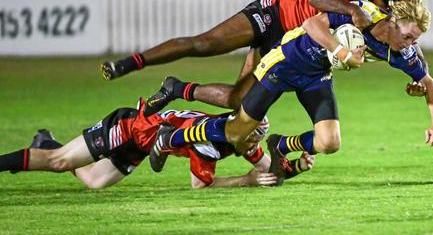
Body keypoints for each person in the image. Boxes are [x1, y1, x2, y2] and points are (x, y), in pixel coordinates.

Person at [148, 0, 433, 185]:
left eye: (415, 39)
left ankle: (281, 145)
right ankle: (172, 137)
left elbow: (429, 82)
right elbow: (312, 23)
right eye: (408, 36)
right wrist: (342, 53)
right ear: (394, 22)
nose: (410, 44)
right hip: (284, 62)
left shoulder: (401, 52)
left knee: (330, 142)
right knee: (238, 133)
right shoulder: (364, 14)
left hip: (316, 76)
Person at [101, 0, 422, 111]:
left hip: (291, 47)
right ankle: (130, 63)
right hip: (275, 16)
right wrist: (353, 9)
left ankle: (176, 89)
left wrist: (419, 79)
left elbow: (408, 45)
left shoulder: (392, 14)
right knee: (205, 44)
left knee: (236, 101)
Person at [0, 99, 314, 189]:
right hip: (130, 128)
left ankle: (46, 141)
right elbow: (200, 185)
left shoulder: (237, 134)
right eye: (253, 141)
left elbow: (267, 169)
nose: (254, 149)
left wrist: (296, 166)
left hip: (143, 145)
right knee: (59, 162)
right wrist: (246, 180)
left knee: (93, 181)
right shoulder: (212, 140)